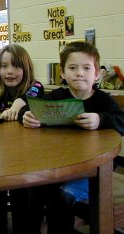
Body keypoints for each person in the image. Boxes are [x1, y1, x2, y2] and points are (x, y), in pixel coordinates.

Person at [14, 41, 124, 234]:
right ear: (63, 73)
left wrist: (100, 118)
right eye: (72, 68)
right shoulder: (57, 95)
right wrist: (26, 115)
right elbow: (28, 107)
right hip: (59, 167)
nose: (79, 73)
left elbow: (122, 119)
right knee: (33, 189)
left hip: (94, 170)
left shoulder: (102, 100)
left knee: (61, 196)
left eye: (86, 68)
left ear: (97, 74)